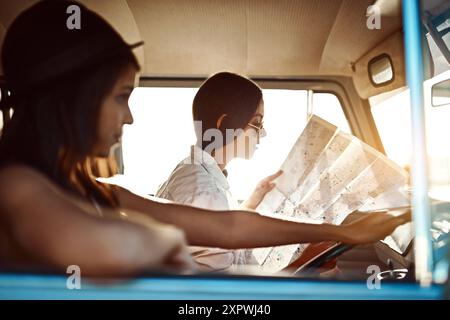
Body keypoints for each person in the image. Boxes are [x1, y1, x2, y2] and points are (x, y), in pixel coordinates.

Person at [0, 0, 409, 277]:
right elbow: (119, 247)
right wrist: (184, 240)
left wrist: (343, 234)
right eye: (122, 96)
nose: (129, 116)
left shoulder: (93, 189)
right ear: (74, 97)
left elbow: (225, 226)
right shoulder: (16, 186)